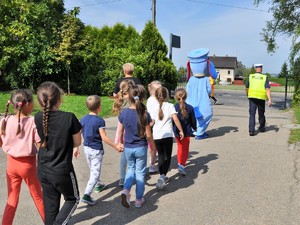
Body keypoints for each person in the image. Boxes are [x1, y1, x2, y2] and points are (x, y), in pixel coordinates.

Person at [34, 81, 82, 225]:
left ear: (40, 101)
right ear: (59, 99)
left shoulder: (37, 117)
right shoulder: (69, 117)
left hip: (43, 169)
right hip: (62, 170)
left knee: (50, 206)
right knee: (73, 199)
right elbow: (77, 142)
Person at [0, 89, 45, 225]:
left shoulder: (5, 120)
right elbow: (40, 145)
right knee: (38, 197)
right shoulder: (32, 122)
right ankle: (50, 222)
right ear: (26, 105)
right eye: (32, 102)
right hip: (28, 165)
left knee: (12, 198)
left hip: (11, 165)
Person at [80, 95, 123, 205]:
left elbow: (78, 133)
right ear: (99, 107)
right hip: (96, 150)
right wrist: (116, 146)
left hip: (86, 148)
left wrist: (75, 147)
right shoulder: (100, 121)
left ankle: (98, 185)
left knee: (92, 169)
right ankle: (87, 194)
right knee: (94, 173)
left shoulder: (83, 119)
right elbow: (104, 137)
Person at [118, 84, 156, 208]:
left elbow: (120, 131)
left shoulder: (123, 113)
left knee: (130, 170)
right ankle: (139, 200)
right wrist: (153, 145)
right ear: (143, 98)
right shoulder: (145, 114)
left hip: (128, 147)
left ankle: (126, 190)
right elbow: (148, 134)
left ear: (129, 97)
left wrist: (120, 143)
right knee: (140, 173)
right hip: (141, 147)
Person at [152, 86, 184, 190]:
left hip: (156, 135)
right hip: (167, 135)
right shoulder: (170, 106)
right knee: (167, 156)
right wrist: (181, 130)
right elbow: (175, 119)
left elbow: (151, 122)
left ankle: (162, 174)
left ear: (156, 96)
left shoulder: (153, 107)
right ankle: (162, 176)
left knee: (160, 155)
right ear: (167, 96)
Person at [186, 48, 218, 140]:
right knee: (207, 114)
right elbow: (209, 91)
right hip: (203, 100)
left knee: (191, 115)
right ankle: (200, 133)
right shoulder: (206, 79)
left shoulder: (191, 79)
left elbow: (187, 90)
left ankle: (193, 130)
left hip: (191, 101)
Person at [113, 79, 134, 187]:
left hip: (122, 130)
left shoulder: (120, 100)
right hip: (130, 130)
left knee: (124, 157)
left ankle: (122, 177)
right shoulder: (131, 101)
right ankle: (130, 176)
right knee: (131, 156)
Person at [173, 88, 197, 175]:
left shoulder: (174, 107)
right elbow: (193, 120)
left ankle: (179, 162)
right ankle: (182, 165)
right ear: (186, 97)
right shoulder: (190, 108)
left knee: (180, 147)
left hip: (177, 131)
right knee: (185, 149)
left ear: (176, 97)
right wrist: (195, 128)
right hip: (186, 132)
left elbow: (172, 120)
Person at [245, 64, 272, 136]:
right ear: (261, 69)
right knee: (261, 113)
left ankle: (251, 131)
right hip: (261, 98)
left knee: (252, 114)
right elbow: (267, 89)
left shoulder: (251, 76)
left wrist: (248, 95)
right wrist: (269, 100)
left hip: (252, 98)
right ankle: (262, 127)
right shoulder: (264, 77)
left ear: (255, 69)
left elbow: (247, 87)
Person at [146, 80, 162, 173]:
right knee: (153, 147)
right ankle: (151, 165)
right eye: (158, 90)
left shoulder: (153, 99)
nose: (160, 91)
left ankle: (152, 159)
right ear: (152, 91)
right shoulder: (153, 101)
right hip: (153, 125)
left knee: (152, 146)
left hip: (152, 124)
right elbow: (152, 114)